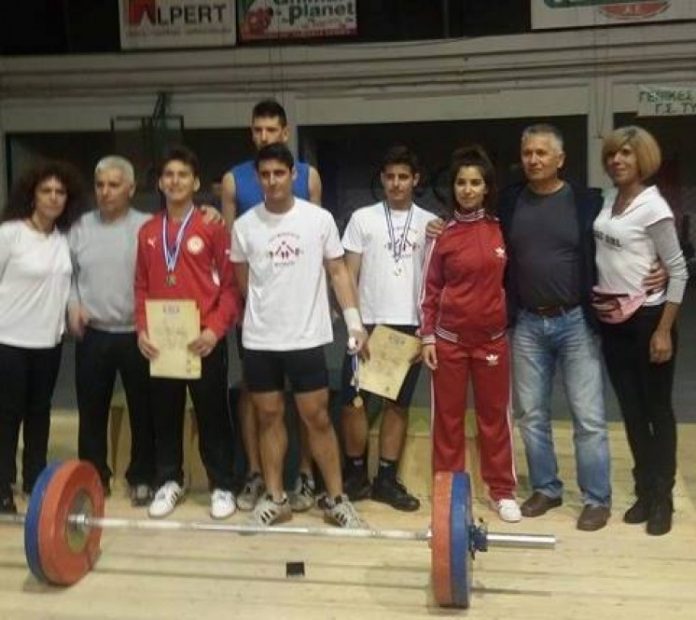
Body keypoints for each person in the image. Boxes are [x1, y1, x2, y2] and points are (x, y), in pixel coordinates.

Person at [230, 143, 367, 528]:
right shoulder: (244, 226)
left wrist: (354, 323)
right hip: (261, 342)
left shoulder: (318, 220)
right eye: (265, 174)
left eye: (279, 173)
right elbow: (243, 283)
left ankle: (336, 499)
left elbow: (338, 271)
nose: (272, 181)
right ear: (257, 179)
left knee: (317, 418)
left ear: (293, 175)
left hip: (306, 339)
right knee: (268, 416)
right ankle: (276, 499)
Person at [222, 99, 321, 513]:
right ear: (251, 133)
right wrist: (246, 306)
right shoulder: (233, 180)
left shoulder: (307, 176)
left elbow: (315, 242)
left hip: (300, 311)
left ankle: (307, 475)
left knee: (305, 398)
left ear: (285, 132)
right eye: (257, 130)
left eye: (271, 129)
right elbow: (232, 249)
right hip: (256, 311)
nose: (264, 136)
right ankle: (256, 474)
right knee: (255, 393)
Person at [135, 146, 239, 520]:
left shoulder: (212, 227)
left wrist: (215, 330)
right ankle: (169, 480)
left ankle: (222, 484)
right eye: (169, 175)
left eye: (183, 175)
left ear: (195, 183)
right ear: (160, 183)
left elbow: (230, 288)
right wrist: (142, 330)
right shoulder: (148, 231)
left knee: (212, 415)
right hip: (162, 343)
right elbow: (140, 286)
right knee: (164, 415)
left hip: (203, 340)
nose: (175, 181)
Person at [594, 126, 687, 536]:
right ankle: (644, 491)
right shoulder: (609, 199)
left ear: (643, 158)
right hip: (614, 321)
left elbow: (678, 270)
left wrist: (664, 330)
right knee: (631, 412)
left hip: (649, 320)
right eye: (613, 154)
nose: (617, 160)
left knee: (657, 411)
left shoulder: (654, 206)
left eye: (627, 154)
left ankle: (663, 498)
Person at [420, 146, 521, 523]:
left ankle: (502, 491)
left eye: (475, 183)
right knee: (447, 420)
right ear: (453, 187)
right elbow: (429, 289)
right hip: (449, 343)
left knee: (494, 418)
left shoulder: (500, 228)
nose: (467, 189)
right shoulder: (441, 233)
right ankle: (448, 492)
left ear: (486, 187)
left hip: (492, 341)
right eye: (461, 182)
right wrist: (428, 337)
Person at [340, 145, 436, 512]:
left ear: (415, 180)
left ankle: (386, 479)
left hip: (408, 325)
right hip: (367, 324)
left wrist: (426, 330)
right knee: (354, 404)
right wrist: (354, 323)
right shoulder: (362, 219)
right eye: (390, 177)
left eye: (403, 177)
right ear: (382, 179)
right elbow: (348, 274)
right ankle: (355, 476)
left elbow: (435, 281)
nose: (396, 183)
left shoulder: (430, 223)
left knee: (397, 405)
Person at [68, 156, 156, 505]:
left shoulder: (148, 226)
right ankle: (92, 477)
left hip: (138, 334)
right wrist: (73, 304)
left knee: (143, 410)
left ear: (131, 189)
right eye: (100, 185)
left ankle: (142, 476)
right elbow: (67, 275)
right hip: (94, 334)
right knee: (91, 412)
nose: (105, 192)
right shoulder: (80, 228)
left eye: (114, 185)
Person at [0, 160, 86, 513]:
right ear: (32, 196)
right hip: (9, 340)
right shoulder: (10, 234)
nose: (53, 197)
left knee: (39, 412)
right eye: (46, 191)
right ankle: (2, 485)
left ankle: (35, 480)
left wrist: (74, 310)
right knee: (7, 415)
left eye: (60, 192)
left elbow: (68, 285)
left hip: (49, 342)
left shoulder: (64, 239)